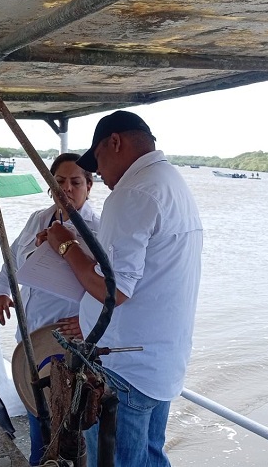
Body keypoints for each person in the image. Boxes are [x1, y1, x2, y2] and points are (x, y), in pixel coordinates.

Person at [45, 111, 203, 466]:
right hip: (160, 362)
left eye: (96, 161)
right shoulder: (171, 181)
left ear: (114, 142)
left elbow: (111, 291)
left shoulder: (133, 192)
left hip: (124, 370)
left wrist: (65, 246)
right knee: (150, 456)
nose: (97, 173)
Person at [0, 152, 100, 465]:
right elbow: (12, 257)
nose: (66, 188)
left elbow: (110, 289)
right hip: (31, 336)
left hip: (67, 343)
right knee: (38, 416)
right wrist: (0, 290)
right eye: (59, 182)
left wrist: (87, 322)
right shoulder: (40, 218)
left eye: (75, 182)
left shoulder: (99, 230)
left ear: (89, 186)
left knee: (72, 424)